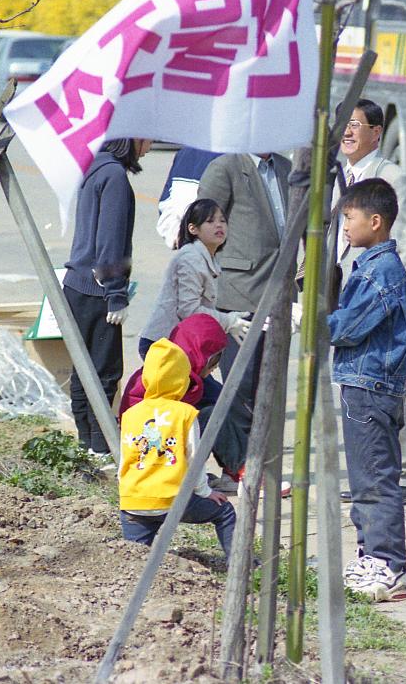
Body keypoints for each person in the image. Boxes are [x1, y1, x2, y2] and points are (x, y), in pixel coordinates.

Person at [333, 99, 406, 503]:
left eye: (356, 125)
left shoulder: (390, 178)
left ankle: (404, 474)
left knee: (383, 386)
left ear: (377, 132)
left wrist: (392, 304)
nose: (348, 132)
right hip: (347, 298)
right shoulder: (338, 175)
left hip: (380, 304)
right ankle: (373, 471)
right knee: (361, 387)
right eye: (345, 125)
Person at [329, 178, 406, 602]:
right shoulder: (369, 264)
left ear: (376, 221)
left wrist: (305, 316)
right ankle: (371, 556)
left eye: (350, 217)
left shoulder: (381, 271)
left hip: (371, 388)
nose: (345, 226)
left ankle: (389, 566)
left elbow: (345, 328)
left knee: (375, 481)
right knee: (365, 478)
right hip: (364, 385)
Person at [197, 149, 293, 486]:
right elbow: (203, 227)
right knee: (244, 383)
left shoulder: (284, 167)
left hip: (280, 292)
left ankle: (249, 468)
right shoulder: (226, 168)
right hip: (239, 291)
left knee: (271, 385)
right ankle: (244, 467)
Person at [63, 137, 151, 465]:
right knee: (104, 372)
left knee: (82, 370)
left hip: (76, 284)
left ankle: (85, 439)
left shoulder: (94, 167)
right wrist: (116, 294)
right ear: (133, 139)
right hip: (98, 289)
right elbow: (110, 240)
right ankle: (100, 447)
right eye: (148, 138)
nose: (151, 145)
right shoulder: (114, 176)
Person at [118, 337, 237, 557]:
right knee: (225, 512)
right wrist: (205, 491)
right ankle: (238, 564)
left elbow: (126, 458)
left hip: (133, 502)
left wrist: (128, 493)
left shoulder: (130, 414)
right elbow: (195, 460)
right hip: (172, 500)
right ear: (182, 379)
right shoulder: (186, 414)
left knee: (135, 557)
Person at [121, 314, 247, 495]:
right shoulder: (170, 374)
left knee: (217, 406)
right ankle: (245, 474)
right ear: (202, 355)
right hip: (149, 445)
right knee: (212, 415)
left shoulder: (184, 367)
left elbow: (223, 399)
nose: (215, 368)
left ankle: (233, 472)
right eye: (213, 362)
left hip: (157, 440)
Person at [138, 198, 249, 360]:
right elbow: (188, 310)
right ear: (193, 229)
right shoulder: (191, 258)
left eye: (222, 221)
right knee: (208, 387)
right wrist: (228, 320)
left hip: (180, 345)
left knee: (209, 386)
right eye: (210, 221)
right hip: (162, 345)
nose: (219, 225)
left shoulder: (209, 257)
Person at [155, 146, 221, 249]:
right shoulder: (235, 157)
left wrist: (180, 237)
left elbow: (166, 205)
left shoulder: (185, 153)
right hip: (221, 254)